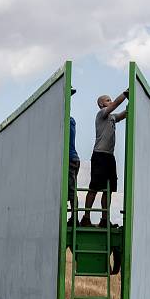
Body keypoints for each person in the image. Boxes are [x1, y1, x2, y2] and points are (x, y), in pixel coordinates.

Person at [80, 90, 128, 228]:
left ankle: (104, 219)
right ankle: (86, 217)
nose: (110, 101)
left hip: (109, 157)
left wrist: (132, 104)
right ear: (101, 104)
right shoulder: (101, 114)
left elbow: (123, 114)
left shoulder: (112, 117)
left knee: (109, 189)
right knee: (94, 187)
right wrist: (125, 94)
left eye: (110, 99)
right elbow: (115, 105)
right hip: (99, 155)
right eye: (107, 100)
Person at [67, 89, 80, 226]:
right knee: (71, 188)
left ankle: (74, 218)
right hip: (73, 159)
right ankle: (73, 217)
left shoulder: (68, 121)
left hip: (70, 159)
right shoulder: (72, 121)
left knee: (70, 189)